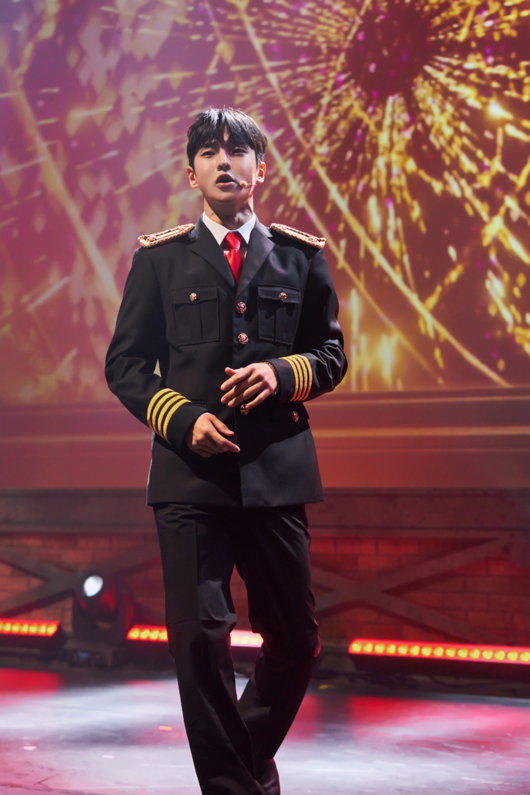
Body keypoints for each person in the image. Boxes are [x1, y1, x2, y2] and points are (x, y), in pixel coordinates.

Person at [105, 107, 347, 795]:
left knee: (296, 642)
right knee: (199, 639)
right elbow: (126, 366)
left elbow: (331, 355)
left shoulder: (301, 256)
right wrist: (183, 421)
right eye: (209, 152)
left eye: (237, 150)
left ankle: (240, 763)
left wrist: (281, 373)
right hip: (190, 480)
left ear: (259, 169)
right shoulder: (159, 259)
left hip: (276, 472)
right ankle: (236, 788)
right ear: (191, 174)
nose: (223, 161)